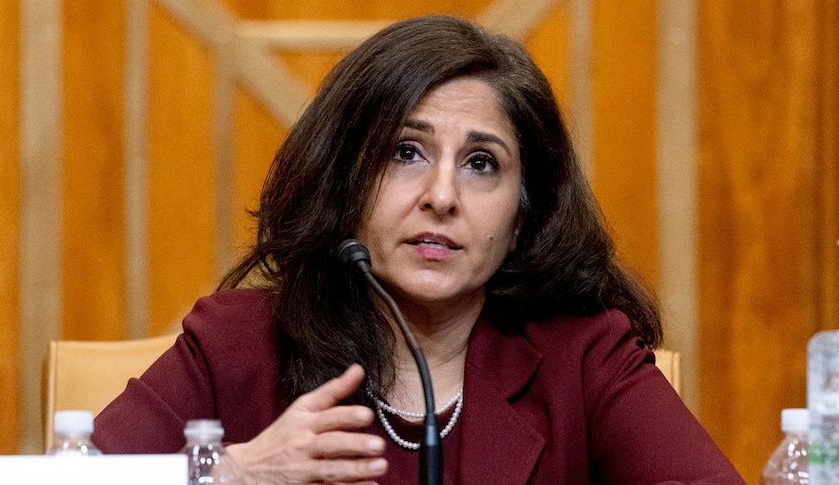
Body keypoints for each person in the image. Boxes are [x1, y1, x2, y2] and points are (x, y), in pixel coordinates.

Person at [93, 14, 744, 484]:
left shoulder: (581, 357)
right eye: (407, 152)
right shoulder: (236, 344)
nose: (442, 195)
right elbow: (69, 474)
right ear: (348, 181)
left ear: (521, 217)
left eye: (482, 163)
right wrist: (231, 472)